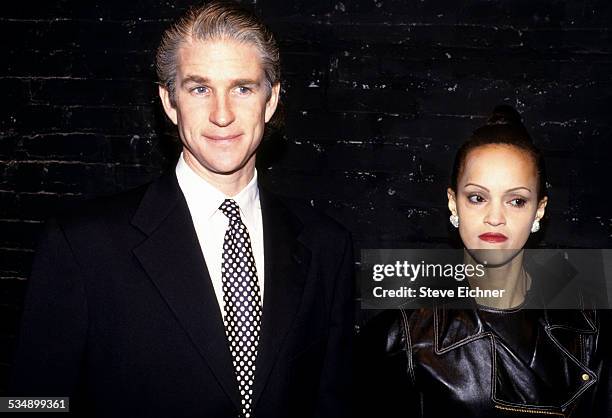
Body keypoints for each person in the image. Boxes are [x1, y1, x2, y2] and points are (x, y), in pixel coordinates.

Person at [9, 2, 354, 417]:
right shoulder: (82, 245)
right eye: (200, 89)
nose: (222, 114)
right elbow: (31, 402)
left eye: (242, 88)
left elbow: (332, 401)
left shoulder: (326, 246)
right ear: (169, 102)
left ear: (271, 99)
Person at [358, 105, 610, 417]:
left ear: (539, 211)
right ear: (453, 203)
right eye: (477, 198)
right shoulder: (401, 331)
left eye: (516, 201)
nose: (495, 218)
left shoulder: (590, 321)